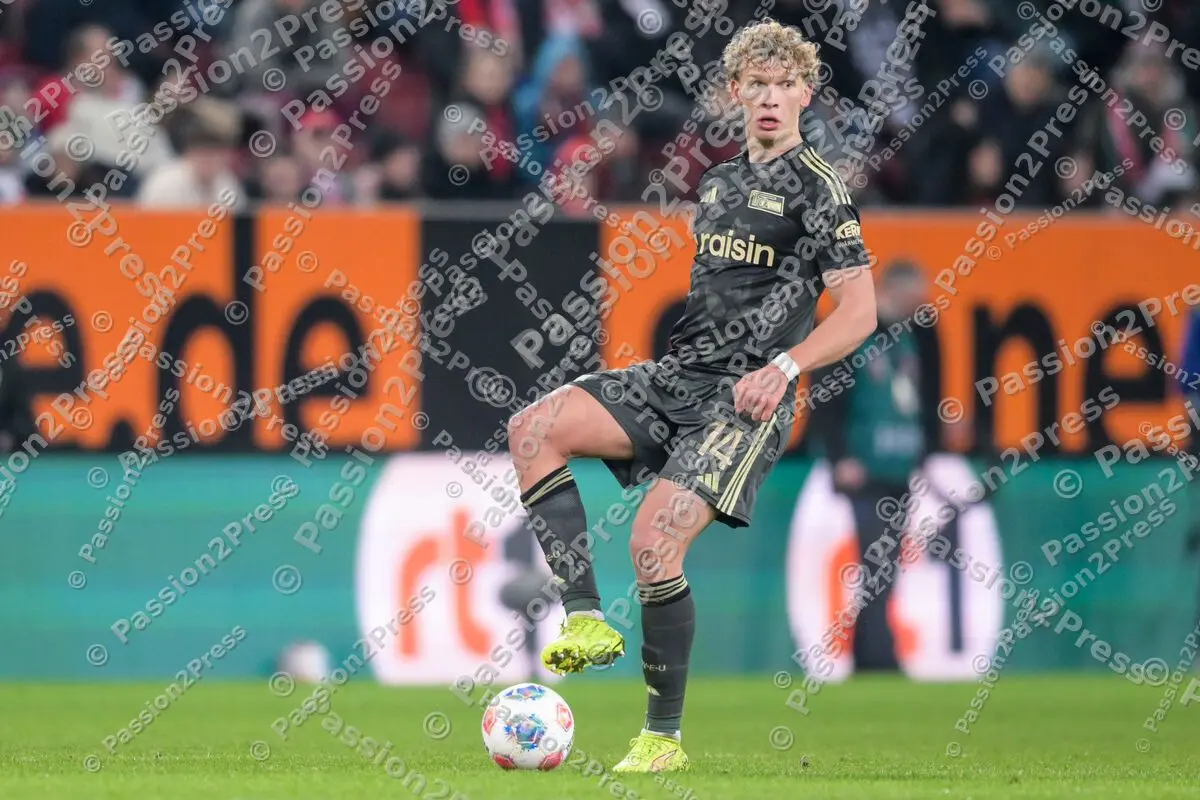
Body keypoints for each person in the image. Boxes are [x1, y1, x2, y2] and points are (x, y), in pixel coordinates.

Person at [505, 19, 877, 773]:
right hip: (681, 377)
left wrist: (786, 367)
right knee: (532, 427)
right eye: (757, 85)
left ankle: (661, 739)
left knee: (652, 543)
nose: (770, 99)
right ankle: (582, 619)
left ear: (805, 92)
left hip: (744, 402)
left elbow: (861, 313)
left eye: (784, 85)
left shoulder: (820, 188)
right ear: (735, 93)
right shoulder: (721, 180)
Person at [809, 260, 930, 672]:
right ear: (895, 289)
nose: (921, 303)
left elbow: (915, 401)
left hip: (898, 469)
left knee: (885, 565)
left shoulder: (908, 337)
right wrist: (839, 456)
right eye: (916, 294)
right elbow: (825, 396)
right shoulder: (852, 331)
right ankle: (879, 656)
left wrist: (924, 452)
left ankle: (871, 653)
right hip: (865, 470)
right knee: (876, 563)